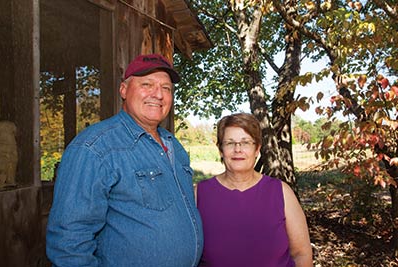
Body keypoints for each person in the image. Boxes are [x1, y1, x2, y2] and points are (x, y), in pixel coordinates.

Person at [46, 54, 203, 267]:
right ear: (123, 90)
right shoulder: (94, 148)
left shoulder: (174, 145)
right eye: (147, 84)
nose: (158, 94)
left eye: (166, 88)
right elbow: (69, 244)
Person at [196, 113, 313, 267]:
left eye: (245, 142)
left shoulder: (281, 192)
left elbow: (301, 254)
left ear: (257, 149)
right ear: (220, 150)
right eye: (230, 143)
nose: (238, 149)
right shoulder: (199, 194)